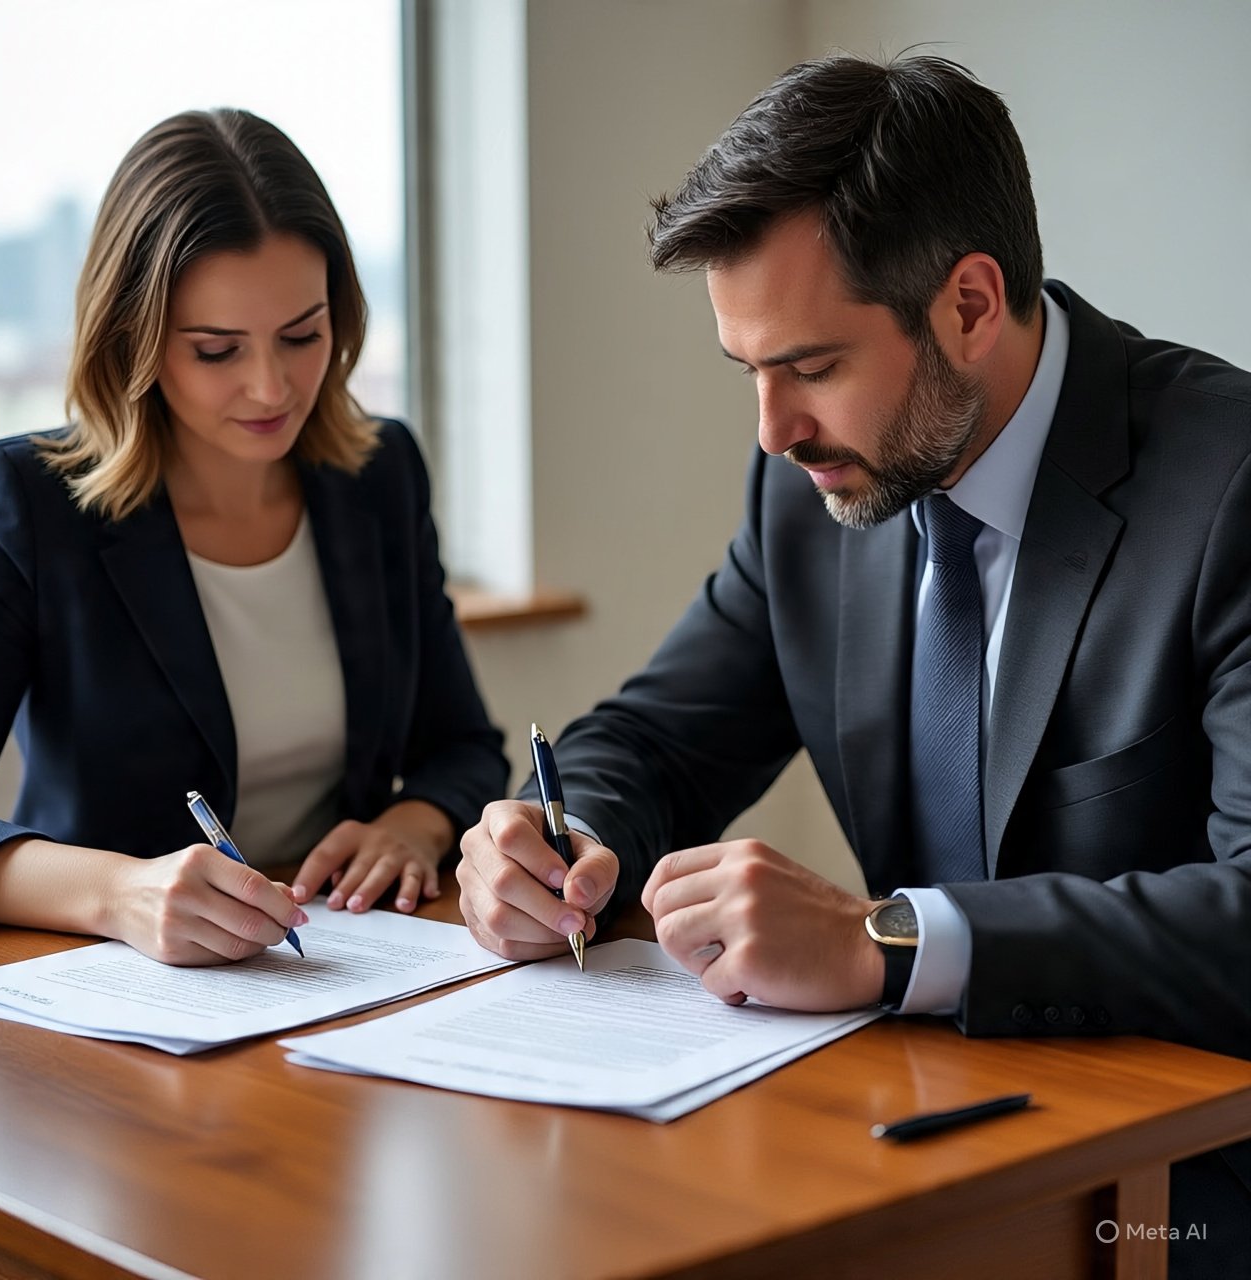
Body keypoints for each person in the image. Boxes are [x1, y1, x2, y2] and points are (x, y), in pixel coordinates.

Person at [458, 54, 1251, 1270]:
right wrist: (552, 837)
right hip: (915, 1147)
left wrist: (884, 939)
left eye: (811, 367)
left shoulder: (1226, 486)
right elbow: (655, 737)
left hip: (1183, 1193)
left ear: (970, 304)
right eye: (748, 371)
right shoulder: (811, 494)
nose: (771, 431)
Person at [0, 109, 507, 966]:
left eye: (303, 336)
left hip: (348, 965)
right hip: (122, 991)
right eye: (217, 350)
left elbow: (464, 746)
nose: (271, 387)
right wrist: (119, 894)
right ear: (133, 342)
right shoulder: (25, 503)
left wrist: (415, 823)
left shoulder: (379, 474)